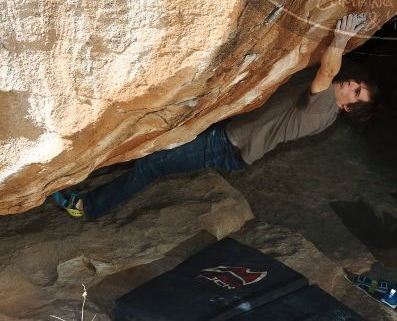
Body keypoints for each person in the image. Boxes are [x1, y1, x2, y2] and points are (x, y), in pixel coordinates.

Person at [52, 12, 379, 219]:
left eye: (356, 92)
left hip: (226, 145)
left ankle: (87, 207)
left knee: (151, 166)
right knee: (156, 150)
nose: (352, 84)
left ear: (348, 107)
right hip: (229, 138)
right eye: (358, 84)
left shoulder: (324, 108)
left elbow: (326, 71)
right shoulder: (327, 112)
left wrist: (340, 39)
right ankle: (90, 182)